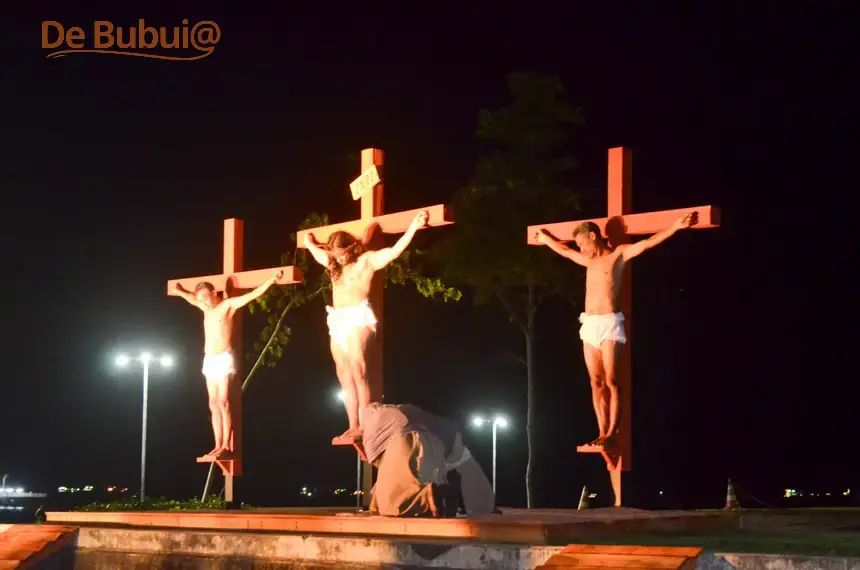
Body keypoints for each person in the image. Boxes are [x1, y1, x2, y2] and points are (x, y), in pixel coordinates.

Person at [536, 212, 697, 448]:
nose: (580, 249)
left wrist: (675, 227)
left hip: (610, 322)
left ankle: (612, 432)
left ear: (593, 236)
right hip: (589, 324)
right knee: (595, 381)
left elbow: (647, 243)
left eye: (582, 243)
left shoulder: (619, 254)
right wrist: (547, 239)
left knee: (611, 379)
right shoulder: (588, 261)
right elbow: (565, 251)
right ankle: (601, 432)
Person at [303, 211, 429, 443]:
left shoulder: (366, 261)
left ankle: (366, 424)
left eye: (341, 254)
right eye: (335, 255)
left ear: (350, 249)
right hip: (338, 319)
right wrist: (309, 244)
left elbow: (393, 252)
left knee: (359, 369)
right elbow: (317, 254)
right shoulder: (333, 266)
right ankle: (352, 425)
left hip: (358, 318)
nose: (338, 258)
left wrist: (414, 226)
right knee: (343, 373)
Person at [172, 270, 283, 458]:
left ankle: (225, 445)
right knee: (212, 403)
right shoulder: (204, 307)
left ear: (214, 293)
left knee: (223, 402)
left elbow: (251, 295)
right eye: (202, 300)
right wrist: (180, 290)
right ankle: (217, 444)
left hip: (224, 357)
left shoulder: (227, 305)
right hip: (209, 359)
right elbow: (191, 298)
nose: (205, 303)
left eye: (207, 298)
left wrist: (270, 281)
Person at [359, 402, 495, 518]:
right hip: (445, 436)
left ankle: (431, 496)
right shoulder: (407, 413)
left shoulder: (379, 423)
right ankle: (452, 497)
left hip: (403, 432)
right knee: (481, 501)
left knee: (393, 502)